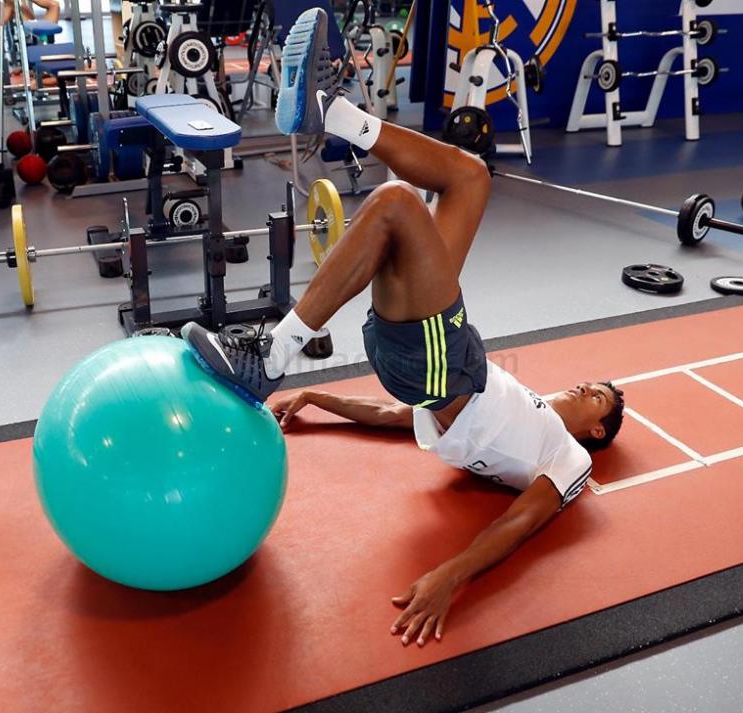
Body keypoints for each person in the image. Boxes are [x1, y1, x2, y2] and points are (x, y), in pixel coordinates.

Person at [182, 7, 625, 648]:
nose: (587, 387)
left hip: (446, 367)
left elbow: (522, 523)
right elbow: (395, 419)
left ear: (597, 429)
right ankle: (334, 113)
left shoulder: (568, 454)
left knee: (397, 202)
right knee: (471, 176)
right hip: (436, 358)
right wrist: (319, 399)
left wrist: (452, 576)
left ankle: (273, 356)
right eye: (593, 384)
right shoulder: (520, 402)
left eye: (598, 397)